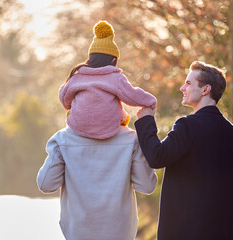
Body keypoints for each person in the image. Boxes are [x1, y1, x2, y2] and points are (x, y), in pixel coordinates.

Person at [36, 21, 158, 240]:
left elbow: (46, 184)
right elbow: (147, 186)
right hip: (119, 233)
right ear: (113, 61)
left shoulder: (62, 141)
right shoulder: (131, 141)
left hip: (77, 233)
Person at [134, 61, 233, 240]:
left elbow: (157, 157)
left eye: (188, 83)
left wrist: (146, 121)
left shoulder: (187, 125)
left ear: (205, 89)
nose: (181, 88)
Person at [59, 20, 157, 139]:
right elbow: (131, 96)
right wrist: (150, 100)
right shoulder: (115, 78)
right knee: (121, 114)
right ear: (112, 60)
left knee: (74, 111)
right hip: (108, 128)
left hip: (78, 126)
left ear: (90, 58)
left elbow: (64, 99)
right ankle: (122, 117)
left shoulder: (77, 76)